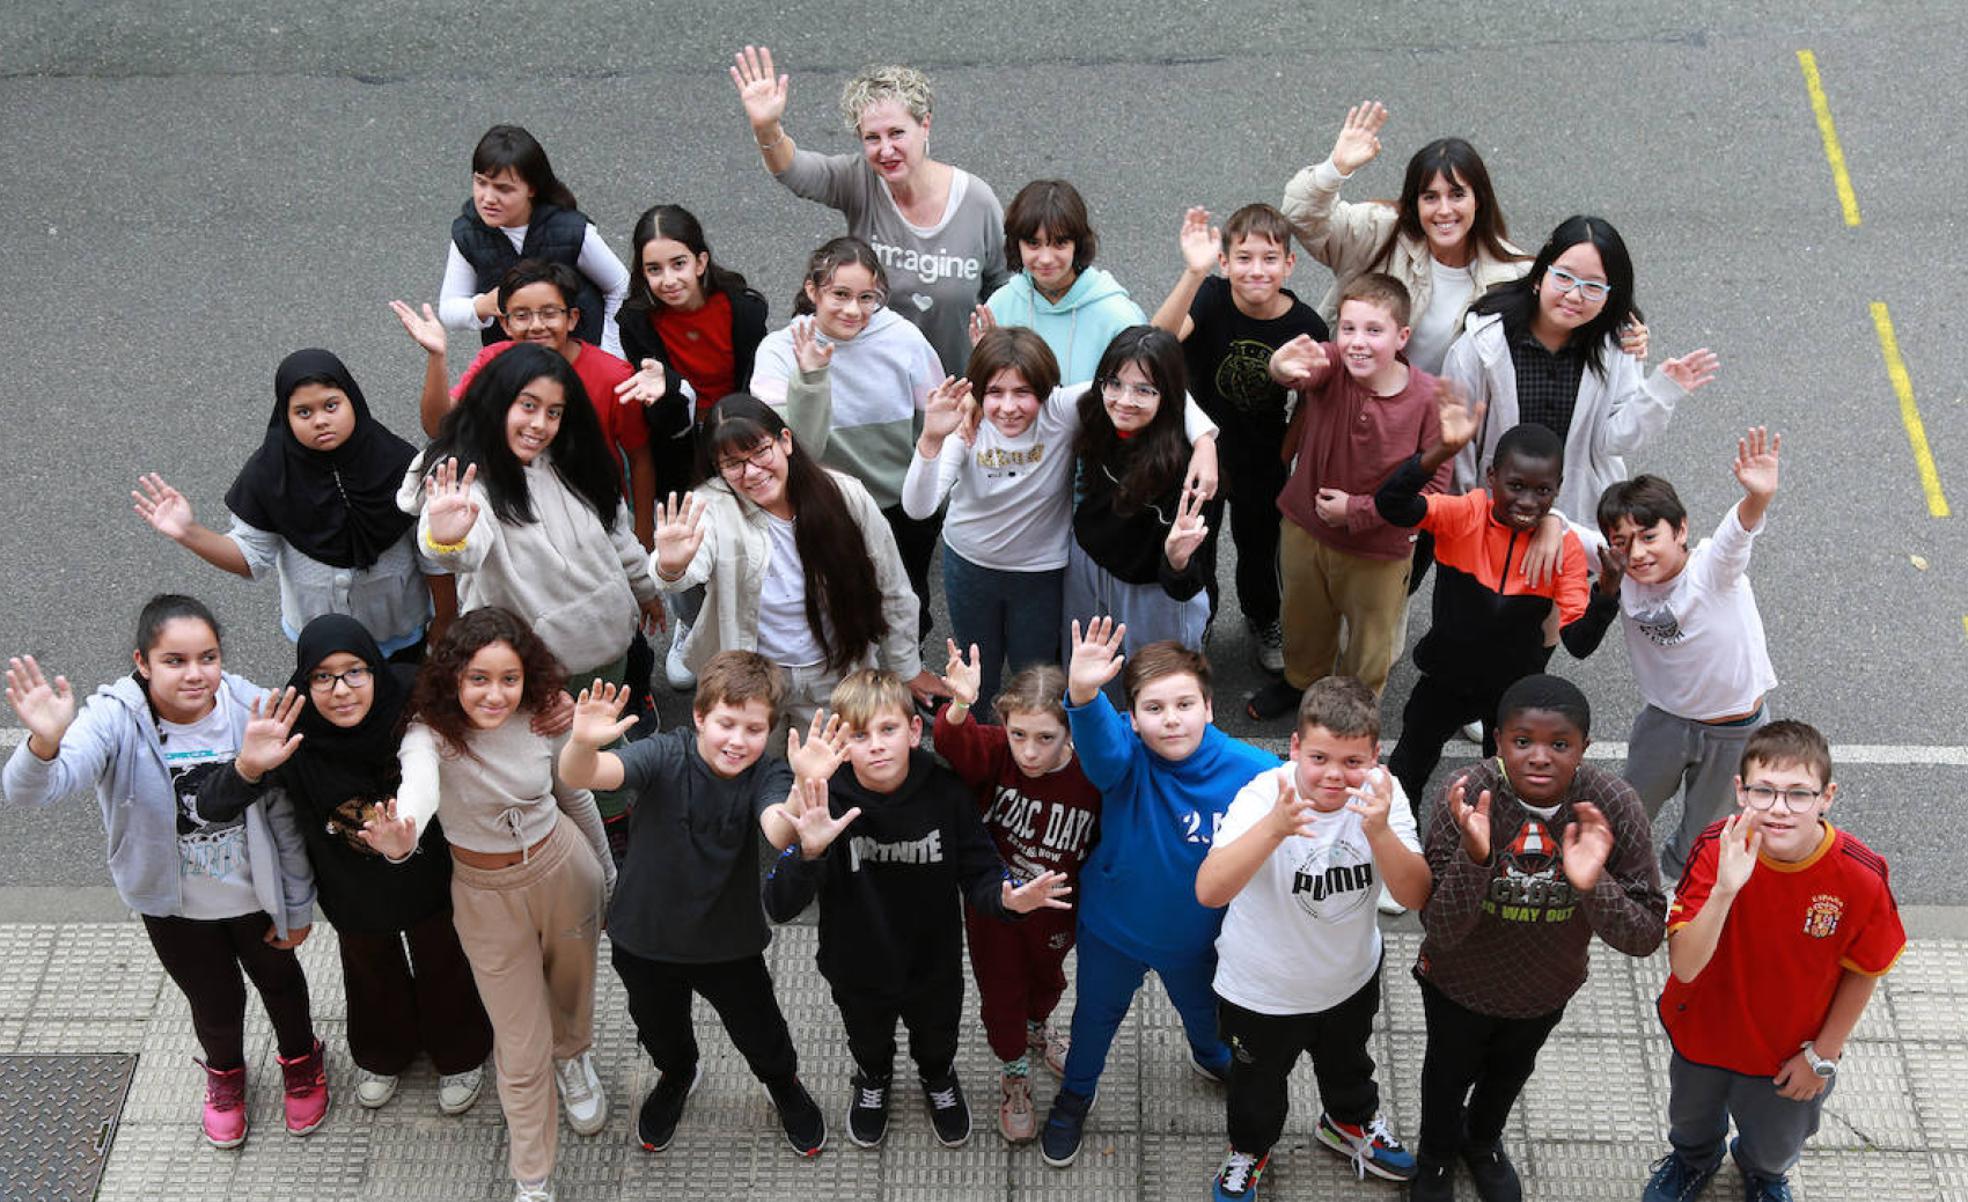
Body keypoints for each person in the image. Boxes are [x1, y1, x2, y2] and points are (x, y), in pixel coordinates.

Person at [3, 595, 324, 1149]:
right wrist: (46, 741)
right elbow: (31, 792)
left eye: (208, 657)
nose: (195, 674)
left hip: (256, 897)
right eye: (175, 660)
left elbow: (285, 823)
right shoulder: (113, 719)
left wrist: (298, 906)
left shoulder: (252, 708)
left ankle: (301, 1062)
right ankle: (226, 1079)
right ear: (143, 662)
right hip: (172, 907)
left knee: (282, 985)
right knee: (214, 1002)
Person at [193, 614, 492, 1116]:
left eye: (355, 671)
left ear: (376, 668)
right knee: (369, 970)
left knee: (445, 963)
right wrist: (249, 766)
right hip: (350, 888)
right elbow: (210, 806)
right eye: (323, 677)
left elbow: (495, 700)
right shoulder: (292, 729)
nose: (341, 690)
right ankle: (384, 1054)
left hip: (431, 876)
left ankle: (459, 1054)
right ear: (306, 681)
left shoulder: (414, 701)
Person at [761, 669, 1073, 1150]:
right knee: (867, 1040)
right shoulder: (828, 797)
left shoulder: (945, 792)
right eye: (860, 735)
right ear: (843, 744)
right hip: (855, 965)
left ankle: (938, 1078)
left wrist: (1007, 899)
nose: (877, 746)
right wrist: (809, 852)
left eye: (888, 730)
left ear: (913, 731)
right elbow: (779, 906)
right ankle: (873, 1079)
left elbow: (980, 869)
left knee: (937, 1037)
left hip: (933, 964)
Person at [366, 607, 617, 1202]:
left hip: (564, 868)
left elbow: (574, 797)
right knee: (519, 1043)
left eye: (509, 678)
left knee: (573, 988)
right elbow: (418, 790)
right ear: (453, 675)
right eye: (479, 678)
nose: (495, 694)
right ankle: (532, 1179)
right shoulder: (428, 733)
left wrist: (608, 873)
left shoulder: (543, 715)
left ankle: (575, 1056)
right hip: (485, 895)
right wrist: (403, 836)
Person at [556, 655, 835, 1156]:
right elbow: (586, 774)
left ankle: (782, 1083)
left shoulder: (765, 775)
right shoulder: (664, 754)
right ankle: (677, 1073)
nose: (737, 740)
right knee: (659, 1028)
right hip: (643, 938)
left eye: (754, 729)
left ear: (769, 732)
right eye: (727, 723)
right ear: (701, 717)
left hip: (729, 943)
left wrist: (803, 790)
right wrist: (581, 742)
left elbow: (778, 826)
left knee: (761, 1030)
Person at [1409, 674, 1665, 1201]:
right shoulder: (1465, 795)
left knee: (1509, 1075)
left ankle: (1482, 1142)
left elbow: (1644, 936)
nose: (1540, 757)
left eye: (1560, 744)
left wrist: (1594, 883)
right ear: (1498, 740)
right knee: (1445, 1075)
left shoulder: (1613, 805)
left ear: (1585, 748)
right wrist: (1476, 858)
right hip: (1457, 984)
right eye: (1523, 741)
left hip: (1546, 988)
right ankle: (1435, 1156)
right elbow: (1441, 927)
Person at [399, 341, 663, 852]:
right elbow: (462, 550)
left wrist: (645, 590)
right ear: (497, 399)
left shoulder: (572, 460)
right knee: (543, 759)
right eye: (528, 406)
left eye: (554, 412)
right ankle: (567, 851)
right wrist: (446, 535)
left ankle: (615, 834)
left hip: (604, 647)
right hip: (531, 665)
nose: (540, 424)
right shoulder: (468, 478)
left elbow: (617, 534)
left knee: (599, 745)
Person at [1039, 622, 1279, 1169]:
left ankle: (1209, 1055)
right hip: (1111, 933)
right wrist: (1081, 694)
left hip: (1199, 943)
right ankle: (1077, 1092)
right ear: (1132, 719)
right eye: (1153, 708)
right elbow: (1099, 750)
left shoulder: (1257, 773)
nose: (1171, 718)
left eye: (1184, 703)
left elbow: (1305, 801)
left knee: (1204, 1014)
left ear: (1210, 708)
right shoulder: (1124, 757)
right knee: (1093, 1020)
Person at [1644, 721, 1905, 1202]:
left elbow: (1864, 972)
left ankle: (1762, 1174)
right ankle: (1693, 1161)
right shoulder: (1714, 849)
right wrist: (1726, 887)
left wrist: (1822, 1055)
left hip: (1790, 1052)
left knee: (1776, 1143)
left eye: (1798, 794)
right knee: (1690, 1121)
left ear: (1827, 796)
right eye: (1764, 791)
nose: (1780, 809)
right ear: (1740, 791)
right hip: (1703, 1034)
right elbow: (1685, 967)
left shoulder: (1860, 875)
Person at [901, 327, 1218, 718]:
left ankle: (1034, 760)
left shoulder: (1062, 408)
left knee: (1036, 678)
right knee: (976, 671)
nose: (1008, 407)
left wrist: (1205, 441)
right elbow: (917, 508)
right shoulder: (968, 428)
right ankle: (979, 755)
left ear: (1046, 390)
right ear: (978, 393)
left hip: (1041, 573)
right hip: (971, 566)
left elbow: (1158, 382)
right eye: (995, 392)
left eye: (1023, 393)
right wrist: (931, 440)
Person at [1195, 677, 1429, 1197]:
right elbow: (1210, 891)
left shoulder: (1383, 798)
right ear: (1295, 747)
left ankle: (1347, 1122)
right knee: (1256, 1090)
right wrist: (1275, 829)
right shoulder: (1262, 797)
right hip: (1260, 993)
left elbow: (1415, 896)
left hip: (1349, 979)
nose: (1334, 776)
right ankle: (1249, 1151)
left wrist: (1380, 833)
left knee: (1350, 1066)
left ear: (1375, 757)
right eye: (1320, 757)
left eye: (1353, 762)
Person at [1373, 391, 1620, 809]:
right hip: (1446, 677)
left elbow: (1578, 642)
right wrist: (1441, 451)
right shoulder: (1464, 515)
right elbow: (1390, 505)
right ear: (1491, 477)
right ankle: (1403, 843)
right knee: (1408, 767)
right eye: (1516, 486)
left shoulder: (1567, 550)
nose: (1527, 502)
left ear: (1558, 490)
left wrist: (1607, 591)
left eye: (1543, 491)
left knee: (1505, 785)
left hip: (1514, 690)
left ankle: (1490, 853)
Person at [651, 395, 941, 730]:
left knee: (828, 770)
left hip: (835, 670)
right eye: (733, 464)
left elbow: (891, 587)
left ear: (785, 440)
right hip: (752, 679)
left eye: (760, 451)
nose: (752, 472)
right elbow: (682, 567)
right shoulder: (710, 506)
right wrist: (670, 566)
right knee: (758, 773)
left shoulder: (845, 495)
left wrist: (907, 667)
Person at [1442, 214, 1718, 557]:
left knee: (1566, 610)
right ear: (1540, 276)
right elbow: (1460, 446)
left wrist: (1660, 392)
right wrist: (1470, 519)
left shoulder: (1618, 346)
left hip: (1575, 519)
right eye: (1564, 277)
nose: (1574, 295)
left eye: (1592, 286)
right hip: (1491, 519)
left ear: (1608, 296)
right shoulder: (1483, 344)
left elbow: (1614, 440)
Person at [134, 350, 430, 659]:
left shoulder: (398, 461)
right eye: (303, 412)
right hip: (319, 641)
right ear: (285, 418)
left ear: (352, 401)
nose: (320, 421)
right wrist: (188, 532)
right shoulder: (269, 473)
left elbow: (430, 554)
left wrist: (445, 623)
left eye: (331, 406)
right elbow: (250, 557)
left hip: (401, 630)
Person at [731, 47, 1010, 375]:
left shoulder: (977, 201)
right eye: (872, 138)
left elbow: (1004, 289)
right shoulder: (857, 179)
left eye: (897, 133)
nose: (886, 150)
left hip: (956, 388)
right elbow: (793, 171)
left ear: (925, 125)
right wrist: (767, 127)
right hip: (876, 388)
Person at [1244, 273, 1446, 722]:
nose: (1357, 342)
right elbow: (1298, 369)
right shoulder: (1332, 364)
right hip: (1305, 529)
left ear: (1402, 337)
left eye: (1374, 330)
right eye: (1348, 328)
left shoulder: (1428, 401)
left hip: (1379, 550)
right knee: (1302, 619)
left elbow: (1431, 492)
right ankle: (1299, 682)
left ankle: (1356, 710)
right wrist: (1280, 366)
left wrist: (1356, 511)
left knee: (1369, 642)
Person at [1150, 204, 1329, 670]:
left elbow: (1311, 402)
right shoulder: (1209, 296)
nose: (1257, 270)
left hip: (1262, 457)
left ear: (1289, 264)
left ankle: (1263, 616)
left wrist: (1284, 458)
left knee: (1260, 550)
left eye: (1270, 258)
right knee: (1198, 545)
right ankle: (1199, 618)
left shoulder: (1306, 325)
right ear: (1224, 262)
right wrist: (1193, 273)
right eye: (1244, 258)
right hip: (1198, 454)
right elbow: (1155, 342)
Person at [933, 650, 1102, 1143]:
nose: (1029, 752)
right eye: (1018, 734)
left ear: (1070, 733)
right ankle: (1014, 1069)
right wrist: (962, 703)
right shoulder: (996, 752)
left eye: (1046, 738)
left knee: (1048, 978)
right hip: (997, 909)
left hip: (1058, 908)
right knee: (1001, 992)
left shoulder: (1091, 773)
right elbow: (953, 741)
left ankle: (1038, 1027)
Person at [1598, 428, 1781, 882]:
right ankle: (1620, 882)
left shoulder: (1713, 570)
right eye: (1623, 541)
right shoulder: (1620, 571)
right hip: (1665, 721)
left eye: (1649, 536)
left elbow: (1736, 534)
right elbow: (1560, 527)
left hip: (1734, 728)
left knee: (1709, 829)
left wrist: (1757, 498)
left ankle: (1679, 888)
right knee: (1630, 808)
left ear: (1681, 530)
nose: (1636, 553)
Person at [750, 237, 944, 640]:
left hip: (899, 507)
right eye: (840, 294)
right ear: (812, 291)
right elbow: (800, 450)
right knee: (838, 609)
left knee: (907, 602)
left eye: (866, 297)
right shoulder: (779, 352)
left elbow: (933, 427)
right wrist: (811, 378)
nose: (854, 310)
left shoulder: (904, 338)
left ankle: (909, 679)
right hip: (827, 507)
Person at [396, 260, 663, 547]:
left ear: (572, 318)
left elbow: (639, 457)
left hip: (591, 511)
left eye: (549, 313)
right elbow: (440, 427)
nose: (537, 326)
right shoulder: (493, 361)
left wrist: (644, 534)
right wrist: (437, 358)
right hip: (514, 513)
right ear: (505, 323)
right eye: (522, 315)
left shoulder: (613, 375)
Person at [1281, 102, 1528, 373]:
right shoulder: (1378, 232)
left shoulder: (1513, 276)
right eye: (1430, 197)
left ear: (1478, 199)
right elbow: (1301, 216)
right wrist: (1335, 167)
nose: (1444, 210)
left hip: (1439, 414)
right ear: (1415, 202)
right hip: (1355, 402)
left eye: (1457, 195)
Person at [1067, 327, 1224, 658]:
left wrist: (1177, 560)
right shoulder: (1095, 414)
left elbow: (1189, 580)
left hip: (1153, 591)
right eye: (1115, 384)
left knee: (1153, 689)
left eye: (1144, 390)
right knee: (1088, 676)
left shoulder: (1191, 470)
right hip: (1089, 569)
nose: (1124, 401)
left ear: (1167, 396)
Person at [439, 124, 629, 357]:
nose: (488, 198)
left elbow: (618, 284)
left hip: (578, 357)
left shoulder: (571, 230)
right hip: (515, 364)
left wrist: (609, 352)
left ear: (532, 188)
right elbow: (449, 309)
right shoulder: (468, 234)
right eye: (481, 182)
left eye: (503, 189)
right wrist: (485, 305)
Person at [984, 179, 1146, 384]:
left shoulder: (1118, 317)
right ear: (1017, 245)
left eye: (1059, 243)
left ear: (1078, 244)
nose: (1045, 258)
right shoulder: (999, 307)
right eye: (1033, 243)